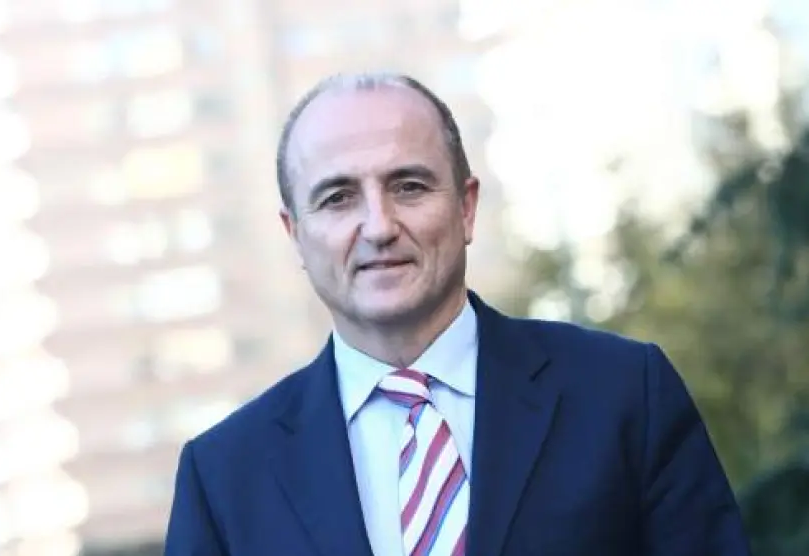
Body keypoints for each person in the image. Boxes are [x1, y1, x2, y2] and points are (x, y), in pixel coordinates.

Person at [163, 72, 752, 556]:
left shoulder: (624, 395)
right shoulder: (223, 478)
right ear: (295, 234)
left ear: (466, 208)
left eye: (409, 186)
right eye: (338, 198)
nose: (379, 226)